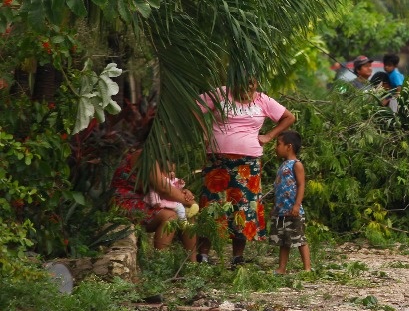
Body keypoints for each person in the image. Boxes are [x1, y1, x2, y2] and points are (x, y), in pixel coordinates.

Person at [195, 80, 296, 266]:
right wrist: (204, 132)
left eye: (252, 84)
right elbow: (193, 106)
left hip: (248, 162)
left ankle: (237, 257)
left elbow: (289, 117)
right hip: (218, 159)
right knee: (212, 205)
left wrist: (269, 136)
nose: (248, 88)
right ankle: (203, 254)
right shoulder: (220, 94)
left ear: (256, 83)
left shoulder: (262, 100)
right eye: (243, 83)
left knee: (242, 206)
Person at [111, 137, 197, 257]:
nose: (168, 143)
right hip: (125, 202)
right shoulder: (144, 156)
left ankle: (193, 263)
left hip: (146, 200)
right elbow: (163, 189)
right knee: (170, 217)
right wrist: (191, 202)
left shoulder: (159, 161)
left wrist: (184, 194)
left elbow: (170, 186)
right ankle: (160, 261)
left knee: (189, 213)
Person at [271, 130, 311, 274]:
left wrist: (296, 205)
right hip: (281, 211)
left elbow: (301, 185)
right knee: (283, 241)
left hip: (293, 211)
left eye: (278, 144)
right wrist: (275, 207)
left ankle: (307, 268)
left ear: (289, 146)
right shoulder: (282, 165)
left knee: (299, 238)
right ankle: (282, 268)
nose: (276, 148)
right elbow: (278, 187)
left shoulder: (296, 165)